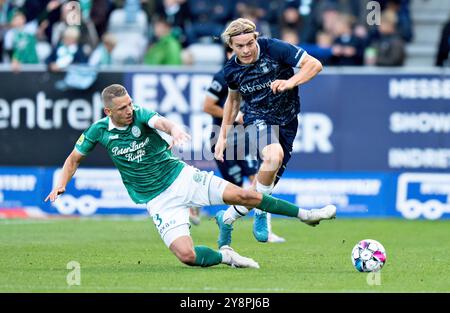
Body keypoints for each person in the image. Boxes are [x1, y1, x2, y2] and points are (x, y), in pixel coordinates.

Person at [45, 84, 336, 269]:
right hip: (157, 200)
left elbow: (159, 121)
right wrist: (61, 185)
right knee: (187, 256)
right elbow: (73, 159)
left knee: (246, 194)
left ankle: (306, 214)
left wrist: (175, 131)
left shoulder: (140, 114)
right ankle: (227, 256)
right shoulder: (99, 131)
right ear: (108, 111)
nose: (130, 110)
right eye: (122, 108)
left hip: (181, 177)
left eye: (130, 104)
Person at [214, 18, 332, 248]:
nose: (246, 50)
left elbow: (314, 65)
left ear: (255, 37)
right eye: (240, 46)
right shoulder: (231, 70)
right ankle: (261, 212)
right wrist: (222, 137)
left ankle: (226, 218)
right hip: (257, 118)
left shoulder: (275, 48)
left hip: (288, 122)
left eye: (249, 43)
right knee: (273, 156)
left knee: (259, 186)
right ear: (231, 46)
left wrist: (291, 82)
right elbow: (233, 101)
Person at [204, 44, 285, 243]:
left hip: (245, 137)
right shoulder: (223, 76)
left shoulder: (255, 73)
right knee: (234, 189)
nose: (243, 54)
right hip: (224, 138)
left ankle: (264, 223)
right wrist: (235, 116)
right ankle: (198, 204)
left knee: (257, 179)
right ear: (228, 53)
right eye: (236, 50)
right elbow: (207, 106)